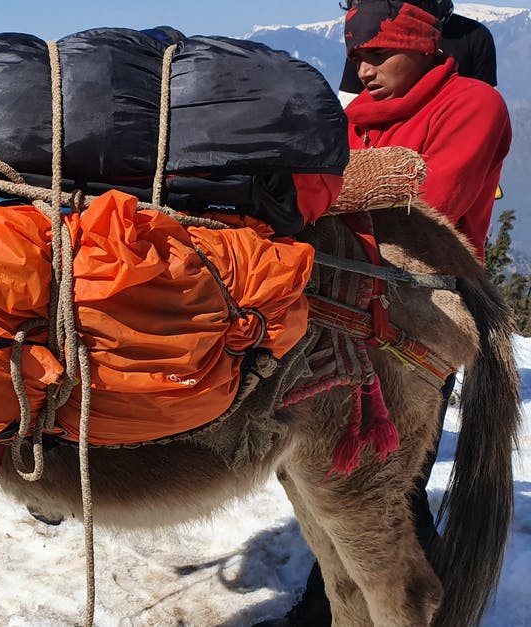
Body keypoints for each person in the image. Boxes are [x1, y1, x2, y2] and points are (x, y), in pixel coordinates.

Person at [259, 2, 510, 625]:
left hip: (423, 314)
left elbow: (427, 211)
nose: (362, 69)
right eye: (357, 56)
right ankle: (351, 607)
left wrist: (325, 191)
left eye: (377, 55)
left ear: (423, 47)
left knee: (383, 484)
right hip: (348, 307)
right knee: (337, 467)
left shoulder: (474, 105)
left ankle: (392, 608)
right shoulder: (357, 118)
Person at [338, 0, 496, 96]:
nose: (365, 72)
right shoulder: (366, 42)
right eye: (358, 59)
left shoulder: (475, 37)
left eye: (379, 53)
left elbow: (487, 113)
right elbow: (348, 110)